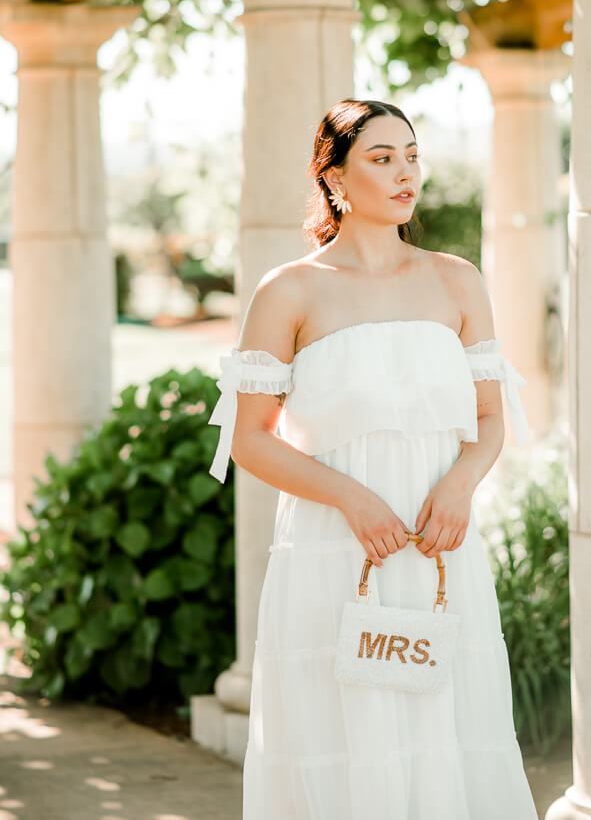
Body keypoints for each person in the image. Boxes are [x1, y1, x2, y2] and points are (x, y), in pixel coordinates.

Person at [207, 98, 539, 819]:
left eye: (412, 156)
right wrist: (351, 498)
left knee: (443, 730)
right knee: (340, 734)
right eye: (382, 158)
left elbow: (489, 417)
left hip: (438, 542)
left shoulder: (457, 279)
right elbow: (250, 437)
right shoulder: (290, 290)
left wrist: (460, 484)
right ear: (334, 178)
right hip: (332, 548)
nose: (404, 174)